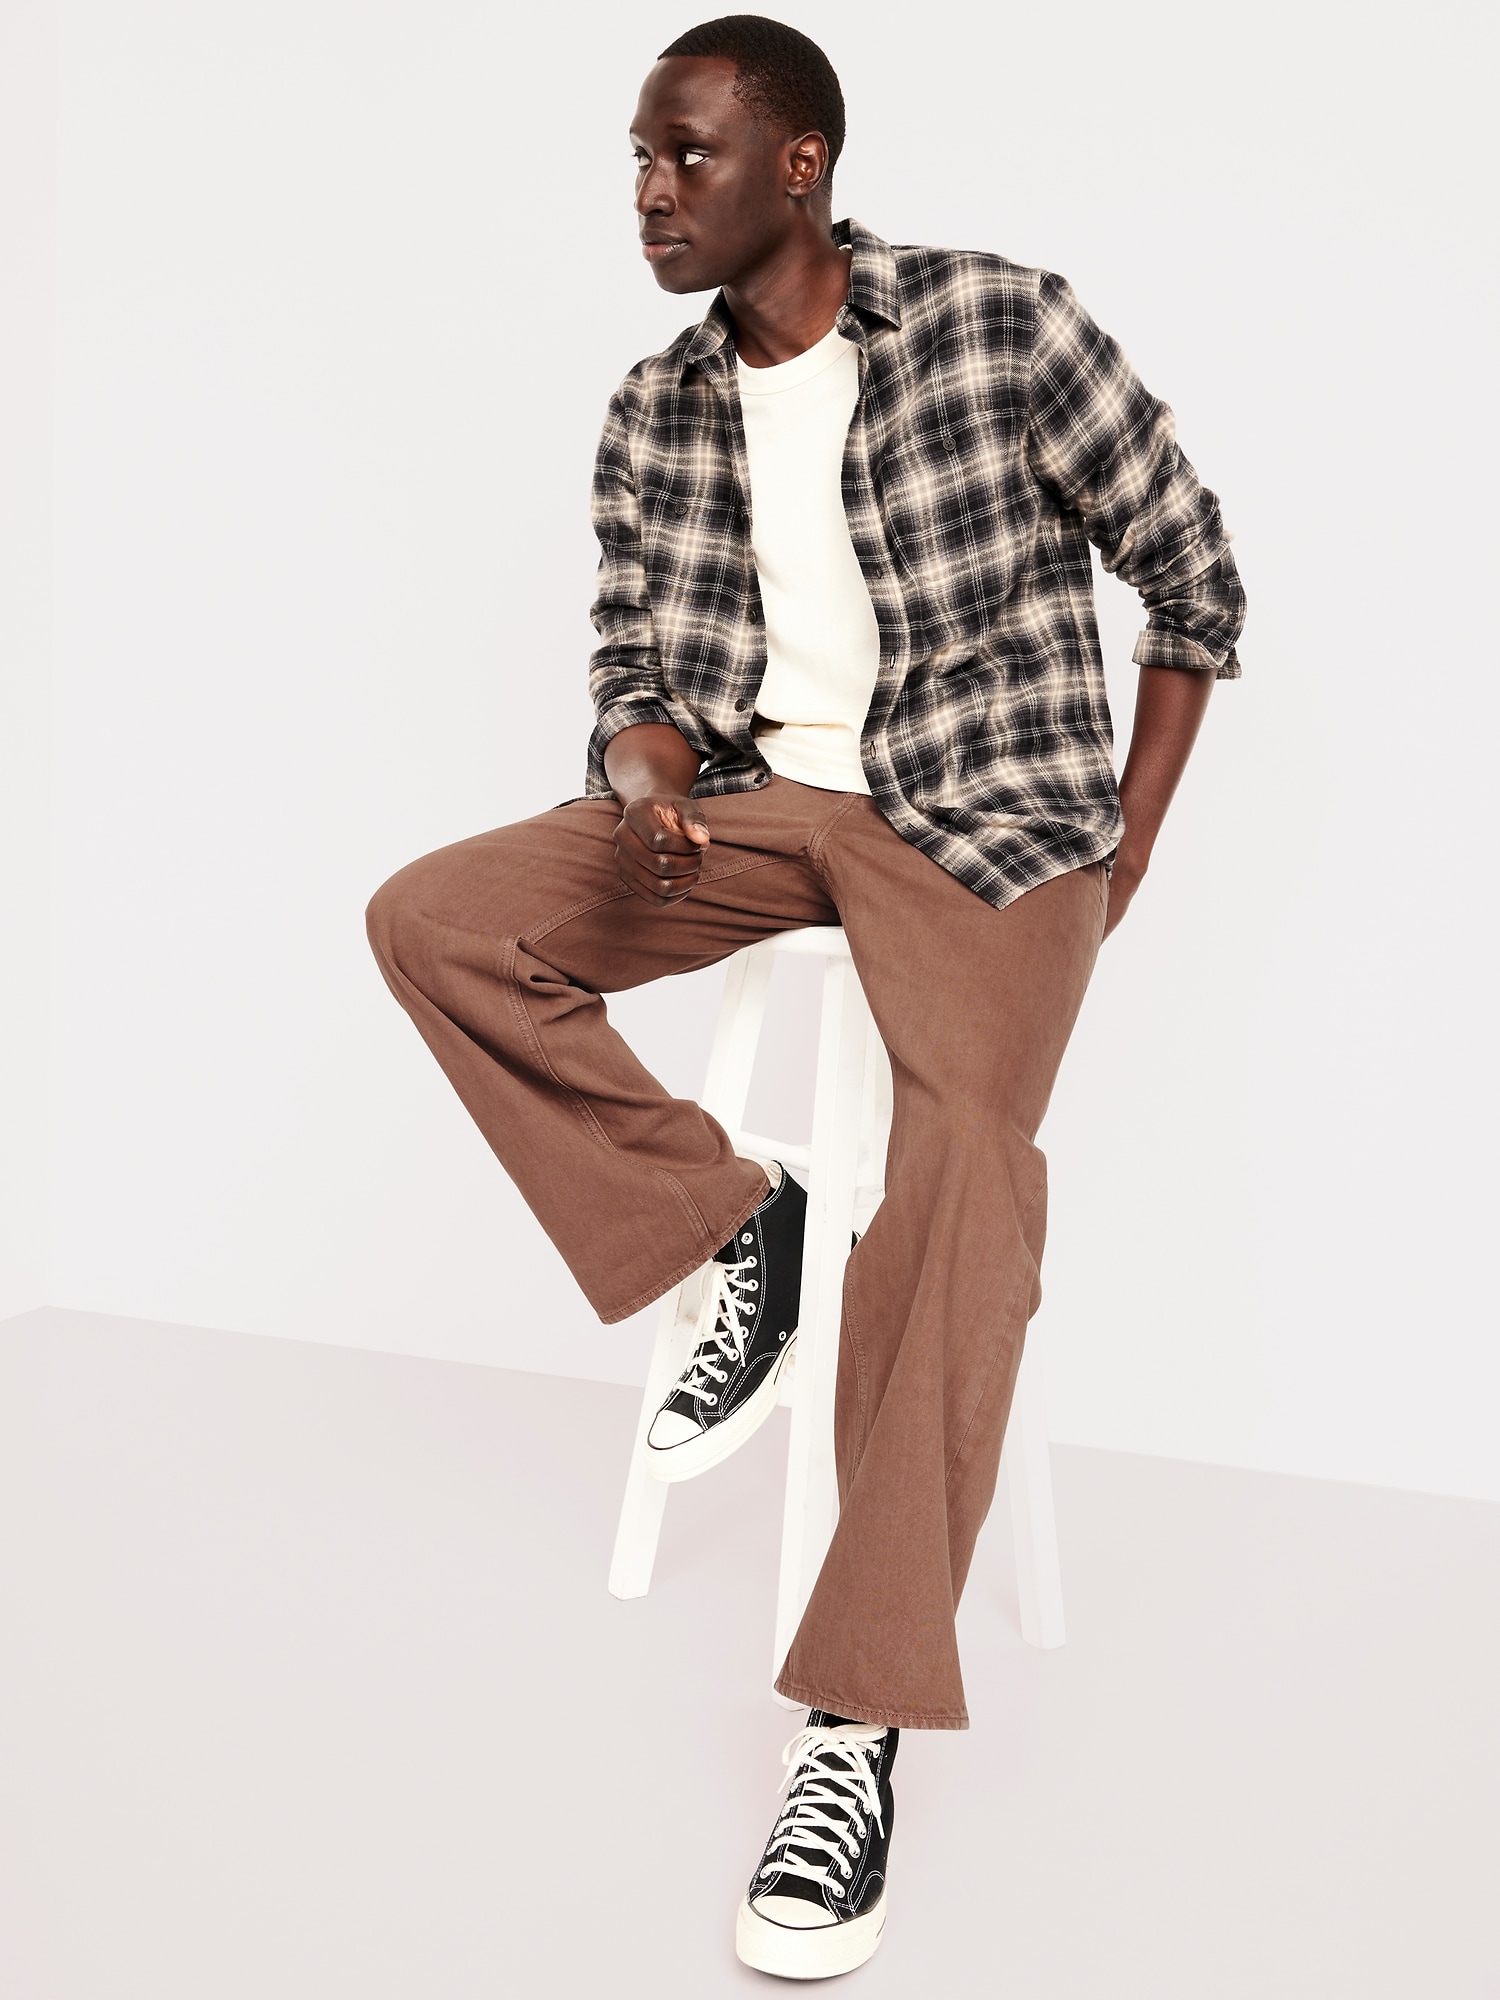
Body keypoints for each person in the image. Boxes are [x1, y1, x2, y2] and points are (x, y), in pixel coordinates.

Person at [366, 13, 1245, 1979]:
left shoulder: (1004, 326)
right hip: (758, 807)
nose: (648, 194)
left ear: (801, 164)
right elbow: (637, 661)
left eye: (684, 155)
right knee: (436, 920)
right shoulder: (653, 408)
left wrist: (1125, 850)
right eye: (636, 158)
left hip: (989, 826)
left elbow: (1195, 578)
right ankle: (731, 1223)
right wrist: (642, 768)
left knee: (961, 1170)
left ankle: (852, 1723)